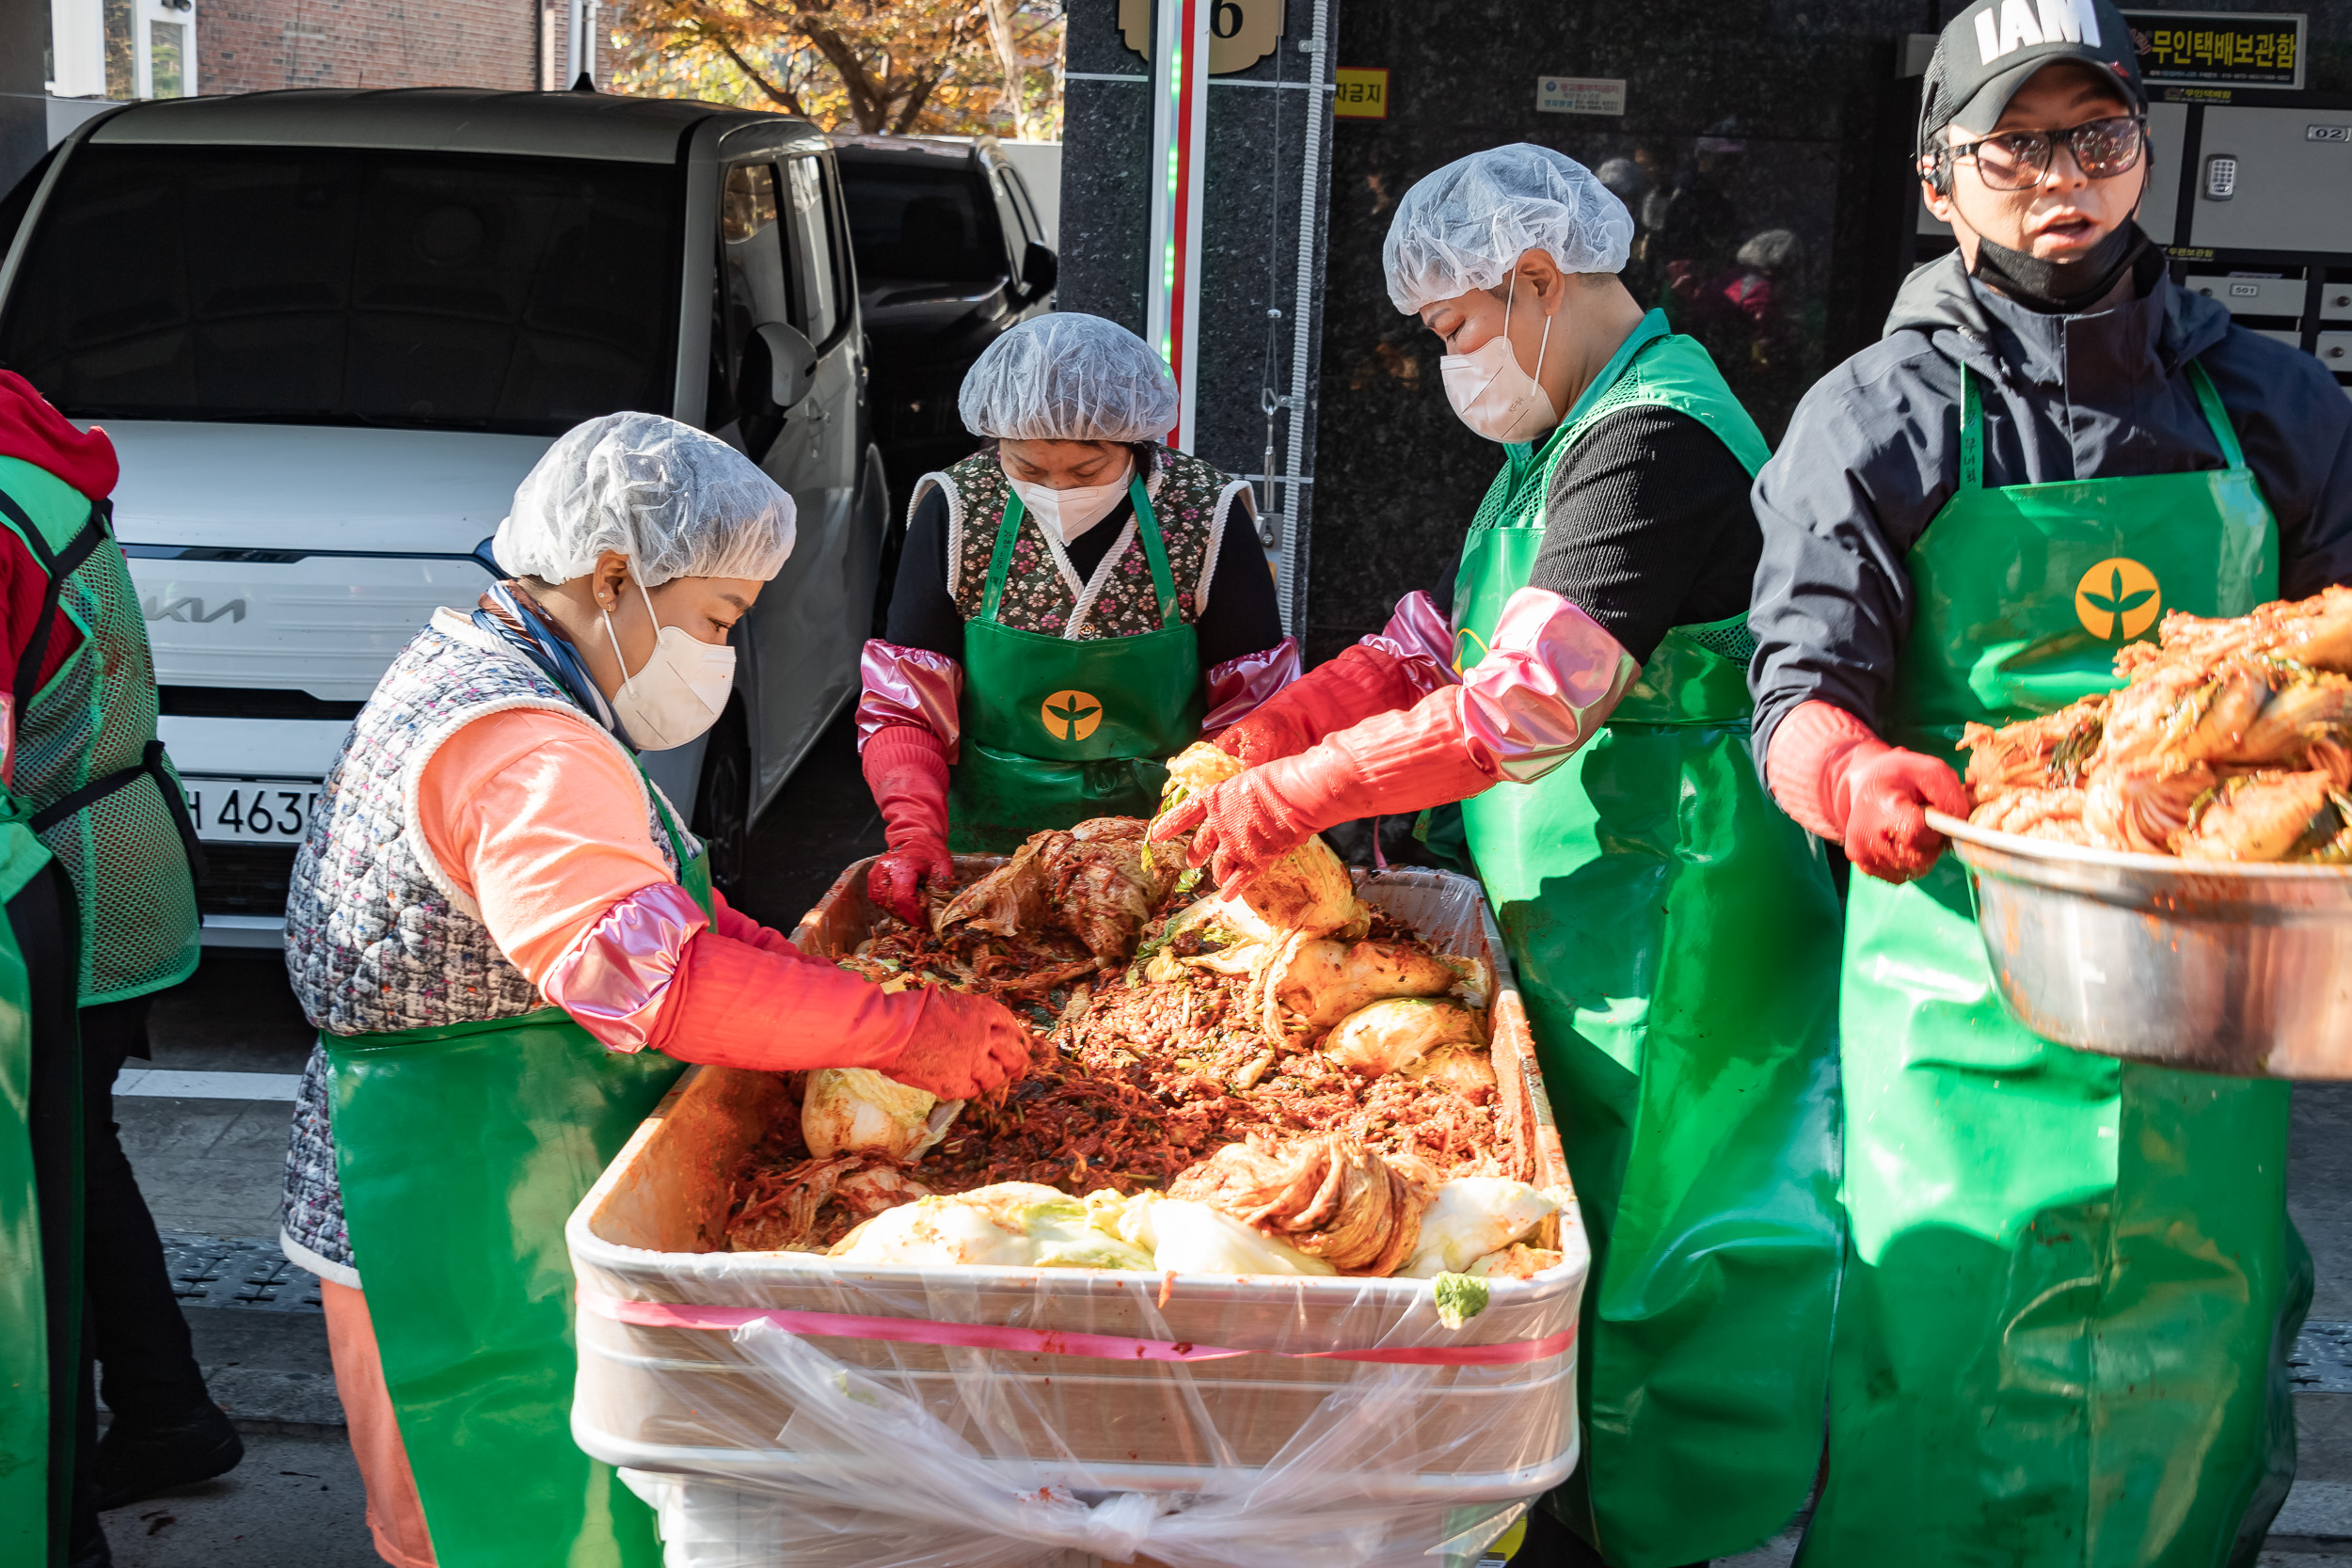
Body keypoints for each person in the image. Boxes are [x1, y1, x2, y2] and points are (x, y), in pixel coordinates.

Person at [1151, 145, 1845, 1568]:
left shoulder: (1656, 437)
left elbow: (1525, 697)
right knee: (1566, 1248)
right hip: (1595, 913)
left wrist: (1296, 792)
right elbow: (1435, 641)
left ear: (1536, 282)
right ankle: (1561, 1502)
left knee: (1673, 1252)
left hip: (1687, 925)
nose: (1452, 362)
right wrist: (1260, 734)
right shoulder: (1561, 437)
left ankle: (1663, 1534)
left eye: (1458, 329)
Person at [1747, 3, 2352, 1559]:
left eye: (2096, 137)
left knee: (2185, 1364)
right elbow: (1798, 693)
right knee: (1949, 1355)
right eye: (2014, 146)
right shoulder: (1872, 420)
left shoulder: (2275, 406)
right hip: (1960, 978)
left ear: (2145, 149)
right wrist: (1855, 776)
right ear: (1940, 183)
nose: (2060, 176)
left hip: (2218, 1007)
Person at [274, 413, 1031, 1568]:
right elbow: (659, 981)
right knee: (510, 1510)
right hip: (461, 1187)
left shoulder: (505, 670)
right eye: (719, 618)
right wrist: (900, 1028)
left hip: (503, 1148)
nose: (723, 652)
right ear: (615, 573)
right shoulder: (527, 743)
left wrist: (795, 967)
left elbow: (661, 901)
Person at [0, 368, 234, 1560]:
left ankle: (111, 1436)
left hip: (56, 867)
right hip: (111, 848)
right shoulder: (26, 452)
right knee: (76, 1154)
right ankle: (164, 1410)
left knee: (50, 1172)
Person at [857, 312, 1294, 919]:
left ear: (1136, 442)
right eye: (1028, 470)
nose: (1057, 491)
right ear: (995, 445)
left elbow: (1257, 706)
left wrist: (1227, 809)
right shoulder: (959, 509)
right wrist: (913, 831)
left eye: (1087, 471)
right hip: (986, 847)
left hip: (1166, 846)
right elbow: (904, 702)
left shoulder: (1203, 513)